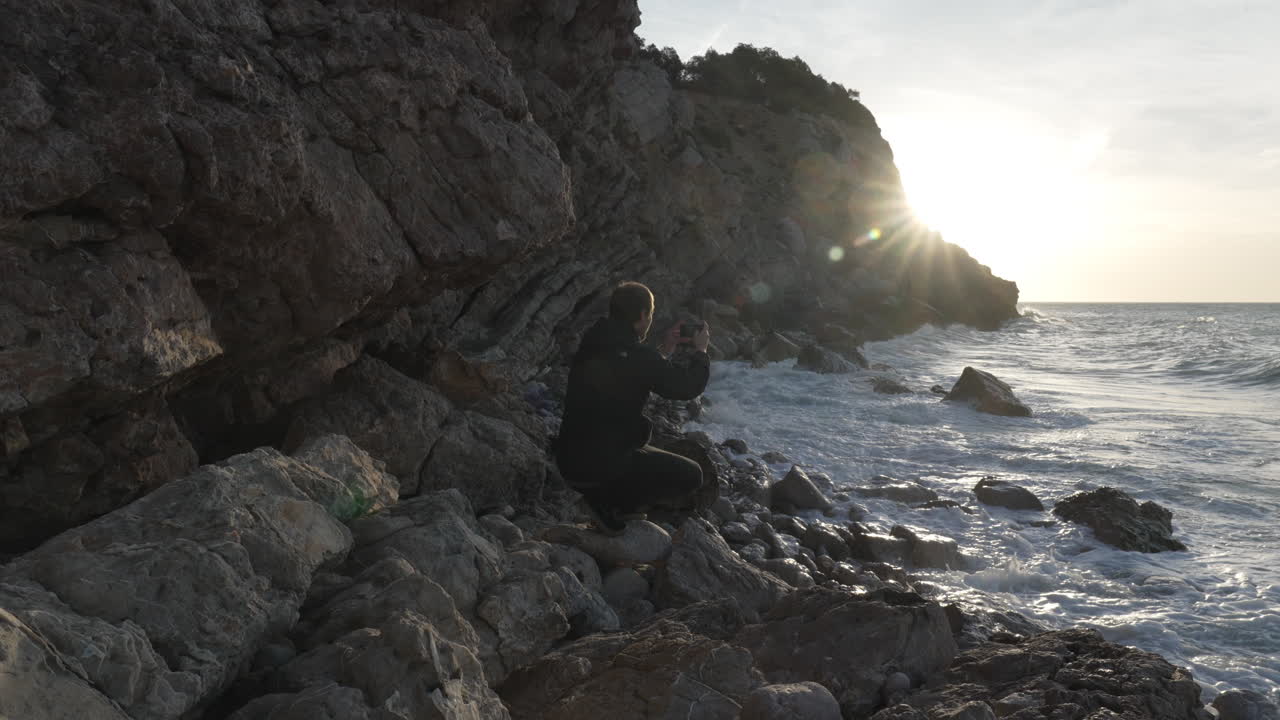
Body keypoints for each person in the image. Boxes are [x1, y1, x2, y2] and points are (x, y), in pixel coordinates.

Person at [554, 281, 712, 533]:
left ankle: (611, 502)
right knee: (692, 474)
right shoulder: (639, 356)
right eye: (650, 314)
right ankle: (611, 505)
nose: (650, 320)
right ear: (641, 315)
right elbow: (686, 387)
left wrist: (664, 351)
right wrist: (702, 351)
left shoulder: (593, 339)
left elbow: (627, 370)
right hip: (600, 467)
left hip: (568, 459)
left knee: (631, 448)